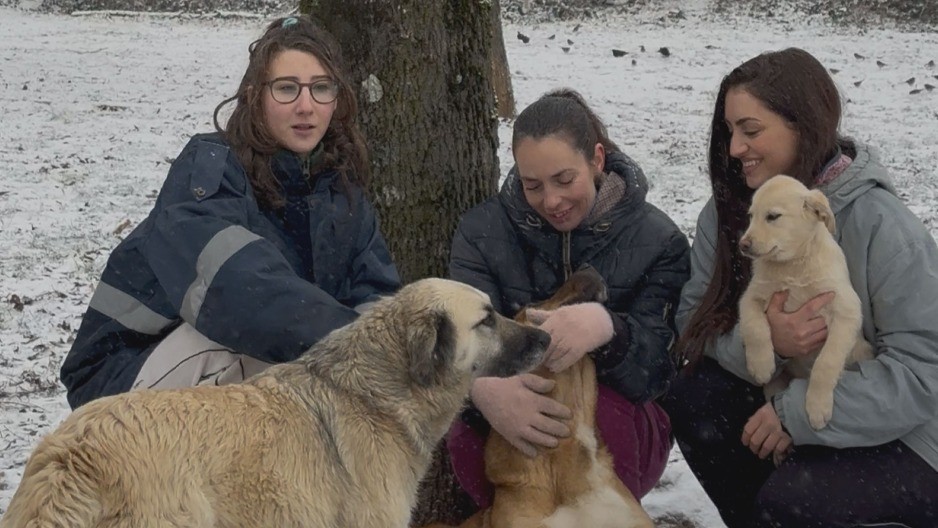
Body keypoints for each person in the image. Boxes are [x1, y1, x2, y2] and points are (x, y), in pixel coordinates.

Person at [60, 15, 400, 410]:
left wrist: (391, 356)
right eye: (287, 89)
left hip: (239, 365)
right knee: (249, 352)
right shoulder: (209, 171)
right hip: (117, 383)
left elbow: (376, 297)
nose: (306, 106)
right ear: (256, 97)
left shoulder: (342, 192)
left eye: (320, 88)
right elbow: (238, 294)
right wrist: (352, 345)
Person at [661, 47, 938, 528]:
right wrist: (767, 339)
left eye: (751, 131)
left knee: (795, 502)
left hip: (911, 437)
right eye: (730, 131)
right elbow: (693, 321)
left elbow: (924, 374)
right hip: (788, 384)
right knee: (695, 397)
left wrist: (796, 414)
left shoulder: (884, 227)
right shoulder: (730, 213)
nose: (733, 149)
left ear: (805, 126)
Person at [444, 88, 690, 518]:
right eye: (532, 185)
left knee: (607, 422)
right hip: (518, 402)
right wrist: (483, 389)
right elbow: (461, 334)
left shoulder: (658, 240)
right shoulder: (482, 232)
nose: (551, 201)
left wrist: (609, 331)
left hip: (617, 414)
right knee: (466, 439)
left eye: (564, 180)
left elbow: (661, 370)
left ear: (596, 160)